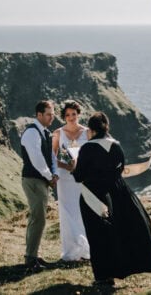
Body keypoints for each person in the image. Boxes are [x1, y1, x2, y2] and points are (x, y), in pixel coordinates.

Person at [70, 111, 151, 287]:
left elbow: (79, 176)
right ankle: (120, 268)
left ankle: (103, 276)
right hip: (118, 193)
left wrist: (74, 165)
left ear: (90, 130)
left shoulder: (87, 148)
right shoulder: (116, 145)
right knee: (118, 232)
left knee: (98, 235)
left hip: (94, 195)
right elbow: (119, 171)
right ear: (107, 127)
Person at [19, 99, 59, 272]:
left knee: (38, 218)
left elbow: (49, 155)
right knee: (38, 218)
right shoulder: (31, 133)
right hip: (34, 180)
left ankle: (32, 255)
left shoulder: (44, 132)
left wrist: (54, 172)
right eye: (49, 114)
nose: (52, 117)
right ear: (39, 114)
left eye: (53, 114)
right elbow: (36, 159)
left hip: (40, 179)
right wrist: (50, 177)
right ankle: (30, 258)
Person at [53, 100, 90, 262]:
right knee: (67, 211)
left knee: (83, 210)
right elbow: (53, 157)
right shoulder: (57, 133)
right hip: (65, 178)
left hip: (83, 177)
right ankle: (70, 251)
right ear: (64, 117)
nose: (71, 117)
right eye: (67, 115)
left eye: (73, 114)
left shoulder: (88, 132)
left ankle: (86, 249)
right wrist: (65, 167)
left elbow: (93, 153)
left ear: (78, 114)